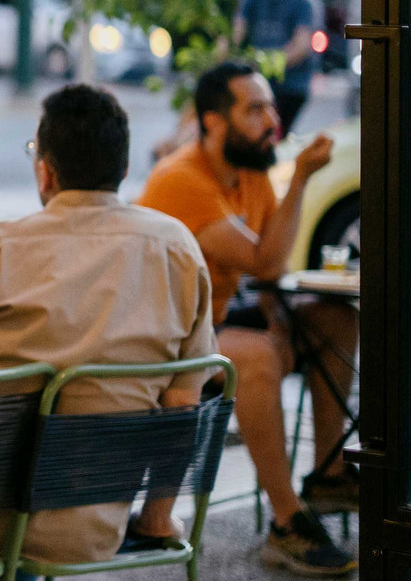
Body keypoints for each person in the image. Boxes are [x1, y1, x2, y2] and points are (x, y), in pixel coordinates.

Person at [0, 85, 216, 568]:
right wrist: (157, 519)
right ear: (122, 171)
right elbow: (183, 400)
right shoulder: (175, 249)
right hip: (91, 530)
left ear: (46, 170)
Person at [137, 61, 355, 575]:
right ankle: (286, 524)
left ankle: (329, 473)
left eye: (270, 106)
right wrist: (301, 175)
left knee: (336, 320)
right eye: (254, 109)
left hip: (206, 327)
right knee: (256, 358)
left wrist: (281, 320)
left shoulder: (251, 177)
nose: (271, 120)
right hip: (160, 342)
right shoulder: (182, 180)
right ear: (214, 122)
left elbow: (266, 271)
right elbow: (264, 260)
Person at [236, 0, 323, 136]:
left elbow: (300, 47)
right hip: (258, 82)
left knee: (270, 134)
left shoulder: (302, 1)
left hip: (291, 85)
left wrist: (264, 63)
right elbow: (236, 34)